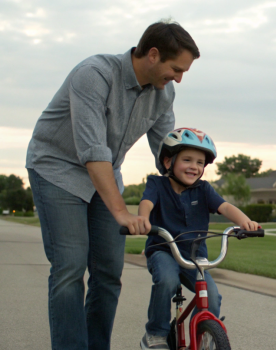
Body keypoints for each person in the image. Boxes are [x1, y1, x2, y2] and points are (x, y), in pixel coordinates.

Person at [25, 21, 199, 350]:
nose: (178, 78)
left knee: (108, 273)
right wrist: (121, 211)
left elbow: (166, 153)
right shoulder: (94, 74)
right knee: (70, 267)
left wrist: (193, 194)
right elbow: (92, 150)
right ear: (152, 55)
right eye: (176, 69)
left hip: (106, 174)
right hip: (57, 169)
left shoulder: (164, 93)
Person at [139, 127, 259, 350]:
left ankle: (202, 335)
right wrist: (142, 220)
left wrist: (245, 221)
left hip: (194, 256)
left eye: (200, 162)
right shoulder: (157, 184)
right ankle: (155, 334)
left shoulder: (204, 190)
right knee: (167, 280)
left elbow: (224, 206)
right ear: (168, 162)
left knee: (212, 296)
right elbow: (146, 203)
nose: (194, 166)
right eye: (187, 160)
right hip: (163, 250)